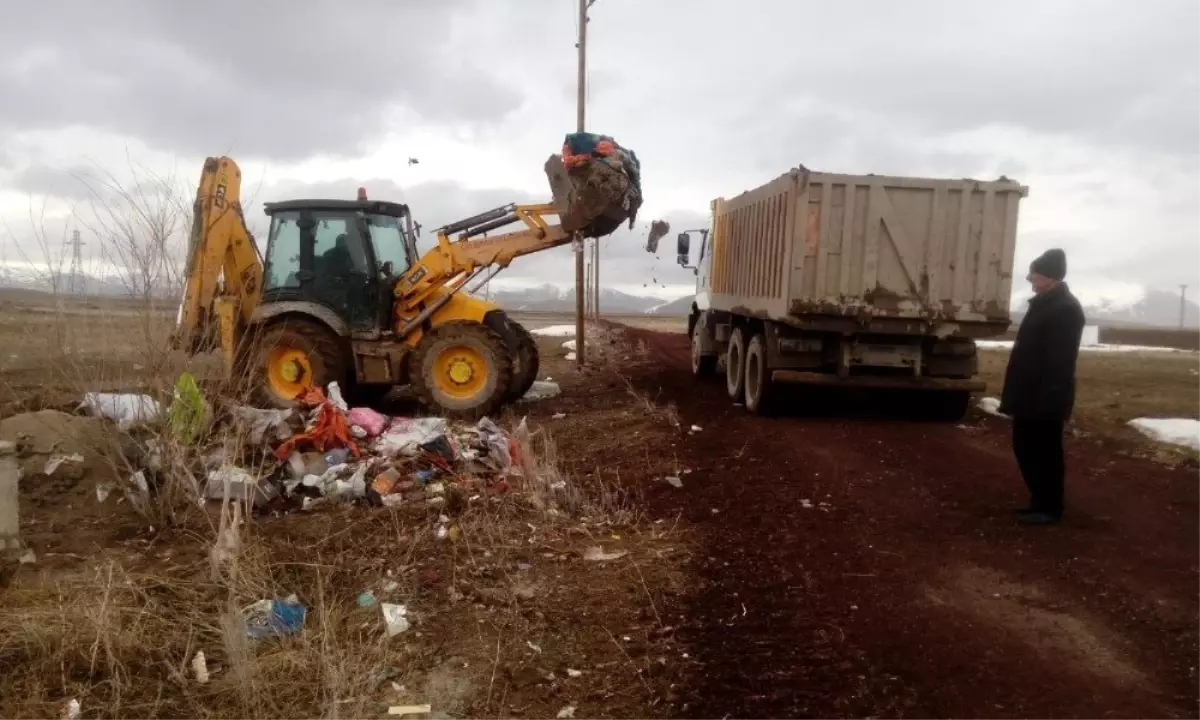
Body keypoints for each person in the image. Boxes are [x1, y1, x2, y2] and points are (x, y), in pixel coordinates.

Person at [999, 248, 1086, 526]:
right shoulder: (1044, 303)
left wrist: (1050, 397)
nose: (1029, 278)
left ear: (1049, 276)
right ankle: (1038, 501)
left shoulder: (1065, 309)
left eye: (1034, 273)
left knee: (1045, 451)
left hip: (1046, 395)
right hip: (1029, 392)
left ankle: (1050, 507)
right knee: (1025, 446)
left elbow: (1059, 360)